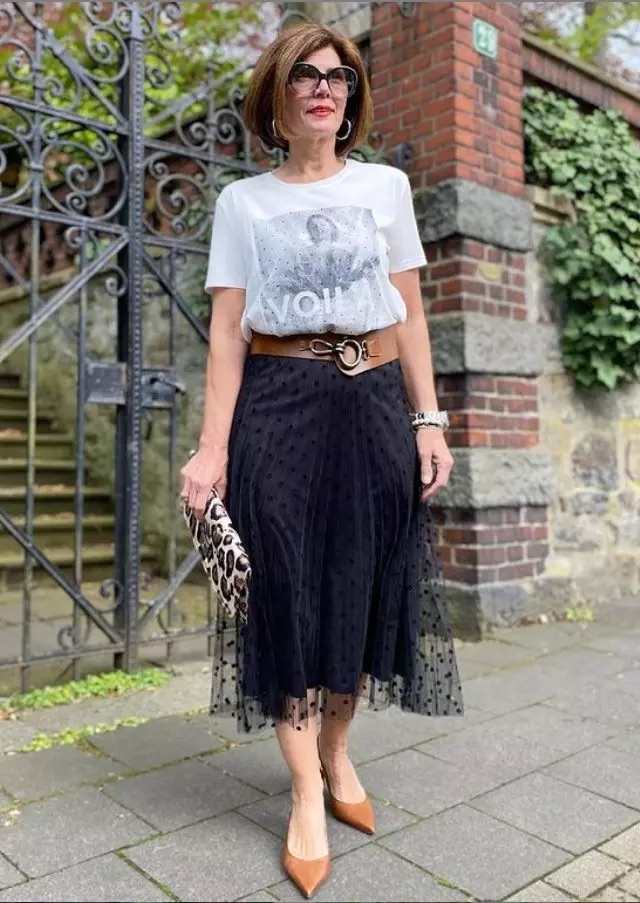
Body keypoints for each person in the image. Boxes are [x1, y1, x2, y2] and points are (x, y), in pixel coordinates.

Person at [180, 21, 463, 900]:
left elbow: (410, 313)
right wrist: (211, 448)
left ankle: (339, 752)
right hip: (278, 406)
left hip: (374, 406)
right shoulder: (243, 203)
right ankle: (306, 790)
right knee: (285, 593)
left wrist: (428, 419)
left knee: (360, 587)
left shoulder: (386, 187)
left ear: (351, 99)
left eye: (339, 77)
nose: (324, 87)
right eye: (305, 74)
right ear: (277, 93)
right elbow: (228, 331)